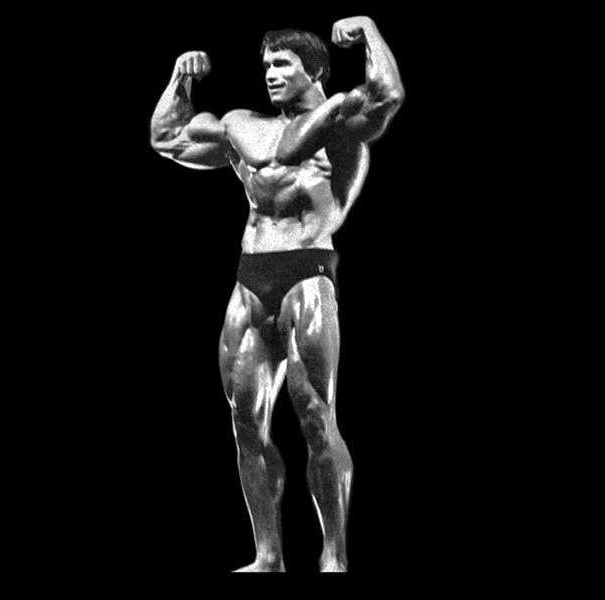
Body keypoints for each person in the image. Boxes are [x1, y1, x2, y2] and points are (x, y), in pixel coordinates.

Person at [149, 16, 404, 572]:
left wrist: (369, 31)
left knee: (314, 415)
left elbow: (387, 95)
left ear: (314, 70)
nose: (269, 73)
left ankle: (334, 557)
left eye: (283, 63)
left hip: (307, 271)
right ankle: (268, 556)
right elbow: (167, 138)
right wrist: (179, 79)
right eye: (266, 64)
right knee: (245, 421)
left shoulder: (337, 122)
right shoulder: (244, 126)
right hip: (249, 278)